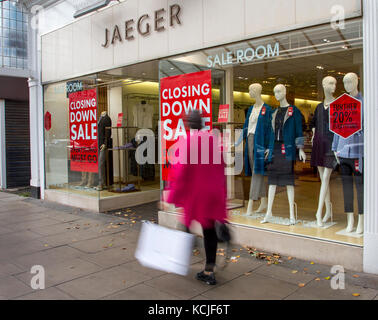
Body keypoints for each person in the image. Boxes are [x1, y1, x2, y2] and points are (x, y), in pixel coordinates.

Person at [162, 110, 227, 285]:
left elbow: (180, 171)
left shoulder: (187, 141)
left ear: (188, 124)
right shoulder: (213, 140)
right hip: (211, 195)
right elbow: (221, 168)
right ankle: (209, 270)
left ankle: (186, 251)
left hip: (196, 195)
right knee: (209, 230)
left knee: (186, 224)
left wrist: (170, 196)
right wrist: (222, 195)